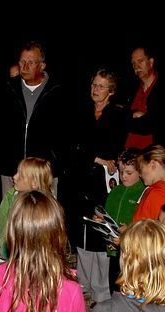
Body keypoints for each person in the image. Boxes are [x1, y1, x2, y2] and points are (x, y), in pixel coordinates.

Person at [71, 68, 128, 293]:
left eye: (101, 86)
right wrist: (95, 157)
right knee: (81, 228)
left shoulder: (118, 114)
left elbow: (113, 147)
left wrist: (100, 158)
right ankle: (83, 282)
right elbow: (73, 145)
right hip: (79, 178)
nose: (95, 89)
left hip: (104, 182)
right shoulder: (81, 111)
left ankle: (101, 286)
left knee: (101, 229)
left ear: (111, 91)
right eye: (94, 84)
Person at [0, 41, 67, 199]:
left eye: (30, 62)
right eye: (22, 62)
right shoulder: (7, 88)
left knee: (42, 219)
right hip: (12, 171)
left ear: (42, 65)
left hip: (42, 172)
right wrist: (3, 160)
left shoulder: (59, 93)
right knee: (11, 218)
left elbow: (65, 135)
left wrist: (53, 163)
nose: (24, 67)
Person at [104, 149, 146, 294]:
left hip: (131, 249)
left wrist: (130, 228)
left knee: (129, 281)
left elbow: (144, 220)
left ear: (140, 172)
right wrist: (101, 219)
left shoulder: (143, 192)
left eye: (129, 173)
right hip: (113, 244)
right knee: (113, 278)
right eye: (121, 172)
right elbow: (107, 213)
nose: (123, 176)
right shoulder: (116, 191)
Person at [0, 157, 54, 259]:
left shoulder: (43, 209)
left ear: (34, 183)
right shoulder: (11, 195)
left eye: (21, 175)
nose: (14, 176)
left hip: (28, 259)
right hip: (6, 253)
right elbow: (1, 221)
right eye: (16, 172)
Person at [132, 144, 165, 221]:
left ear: (153, 165)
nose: (140, 175)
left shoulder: (157, 193)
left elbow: (157, 230)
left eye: (140, 169)